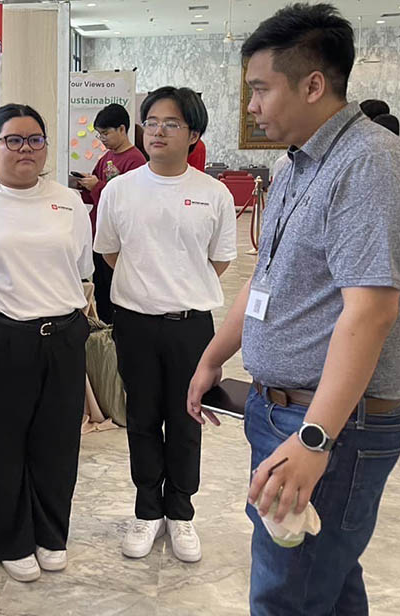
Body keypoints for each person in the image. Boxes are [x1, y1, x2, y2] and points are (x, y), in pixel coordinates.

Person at [187, 3, 400, 615]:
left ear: (314, 85)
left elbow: (370, 314)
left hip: (333, 425)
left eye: (260, 89)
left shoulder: (370, 166)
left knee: (288, 596)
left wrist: (315, 438)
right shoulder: (296, 163)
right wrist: (214, 357)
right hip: (285, 413)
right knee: (324, 583)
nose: (251, 106)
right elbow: (268, 280)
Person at [0, 104, 92, 584]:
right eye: (13, 140)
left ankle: (51, 533)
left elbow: (81, 270)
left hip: (62, 338)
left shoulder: (68, 201)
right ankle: (9, 539)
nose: (25, 148)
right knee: (0, 446)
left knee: (57, 444)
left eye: (35, 139)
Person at [94, 87, 236, 563]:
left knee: (186, 419)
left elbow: (218, 260)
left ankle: (181, 512)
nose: (157, 131)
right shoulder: (119, 190)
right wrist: (147, 287)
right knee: (141, 418)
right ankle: (146, 510)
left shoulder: (213, 193)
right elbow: (110, 253)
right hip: (134, 322)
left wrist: (179, 287)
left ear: (193, 134)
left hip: (190, 327)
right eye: (151, 122)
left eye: (171, 123)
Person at [75, 103, 146, 323]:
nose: (102, 139)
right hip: (99, 232)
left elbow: (130, 202)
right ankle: (105, 329)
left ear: (122, 129)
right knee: (101, 290)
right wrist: (84, 185)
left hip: (120, 239)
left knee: (116, 290)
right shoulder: (106, 158)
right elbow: (94, 197)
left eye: (105, 133)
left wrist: (97, 186)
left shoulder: (136, 160)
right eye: (99, 134)